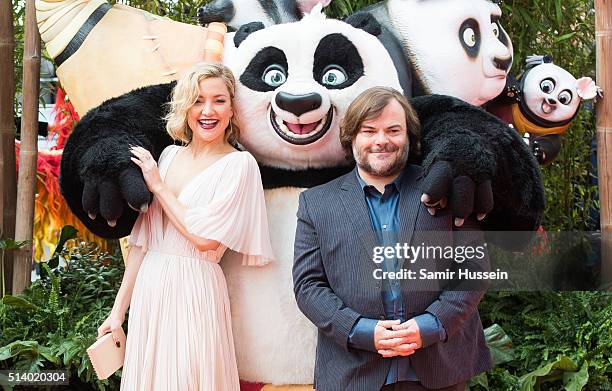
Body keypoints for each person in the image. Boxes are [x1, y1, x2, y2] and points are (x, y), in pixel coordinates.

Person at [293, 87, 492, 391]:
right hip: (354, 374)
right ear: (352, 138)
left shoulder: (444, 188)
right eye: (368, 130)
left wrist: (430, 325)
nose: (381, 140)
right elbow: (308, 286)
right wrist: (359, 330)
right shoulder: (316, 204)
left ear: (410, 136)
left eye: (393, 130)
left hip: (439, 369)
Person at [97, 62, 275, 390]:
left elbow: (205, 240)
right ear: (185, 107)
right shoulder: (166, 157)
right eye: (197, 100)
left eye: (219, 100)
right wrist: (117, 313)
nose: (208, 110)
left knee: (190, 376)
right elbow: (141, 245)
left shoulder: (240, 165)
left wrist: (159, 186)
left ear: (232, 108)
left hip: (196, 288)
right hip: (151, 287)